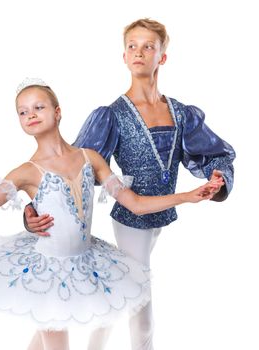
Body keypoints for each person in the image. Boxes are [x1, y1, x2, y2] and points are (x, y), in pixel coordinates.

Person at [0, 79, 222, 350]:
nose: (30, 115)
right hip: (47, 272)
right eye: (22, 111)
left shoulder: (90, 157)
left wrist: (188, 196)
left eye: (38, 107)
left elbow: (135, 203)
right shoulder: (27, 171)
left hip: (85, 263)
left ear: (57, 112)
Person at [24, 19, 236, 350]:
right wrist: (32, 208)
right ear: (124, 56)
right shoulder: (112, 115)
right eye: (132, 46)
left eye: (148, 46)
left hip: (160, 217)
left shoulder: (180, 114)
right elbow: (70, 167)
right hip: (131, 218)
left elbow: (216, 154)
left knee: (116, 295)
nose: (139, 52)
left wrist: (217, 179)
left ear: (162, 57)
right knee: (140, 300)